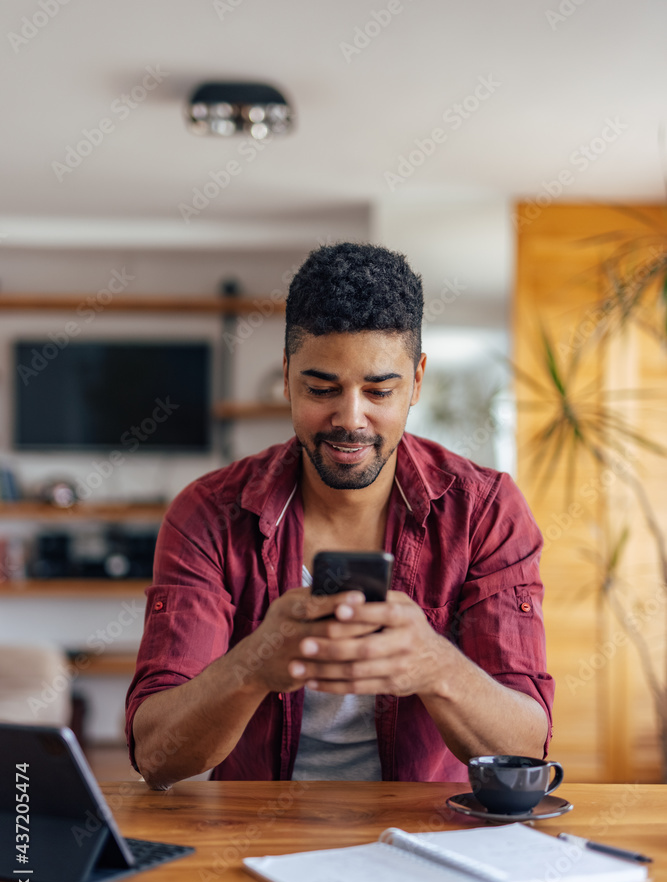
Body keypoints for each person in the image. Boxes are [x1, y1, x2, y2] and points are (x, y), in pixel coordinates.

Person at [126, 242, 553, 788]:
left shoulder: (486, 511)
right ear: (285, 376)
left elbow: (526, 749)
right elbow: (157, 754)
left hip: (425, 836)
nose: (351, 419)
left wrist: (434, 664)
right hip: (257, 835)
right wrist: (253, 665)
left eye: (379, 390)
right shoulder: (206, 514)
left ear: (418, 380)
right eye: (321, 388)